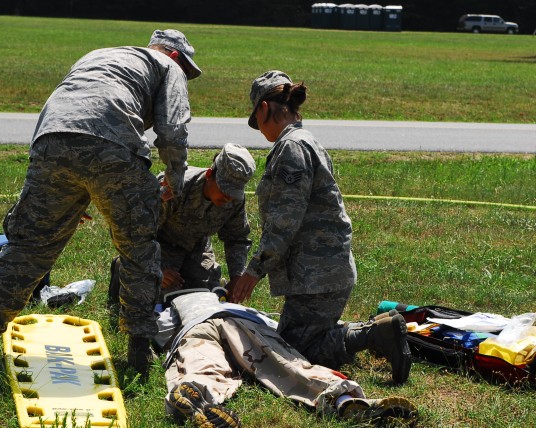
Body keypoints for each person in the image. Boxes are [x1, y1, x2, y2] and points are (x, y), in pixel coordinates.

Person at [0, 29, 202, 376]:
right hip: (115, 149)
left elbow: (68, 107)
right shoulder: (168, 67)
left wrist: (70, 192)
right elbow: (173, 128)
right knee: (137, 251)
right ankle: (139, 354)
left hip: (51, 142)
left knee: (27, 249)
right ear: (174, 55)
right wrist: (175, 177)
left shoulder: (98, 54)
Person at [228, 70, 412, 384]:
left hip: (318, 275)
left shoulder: (292, 149)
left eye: (255, 118)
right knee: (293, 340)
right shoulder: (302, 141)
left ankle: (377, 334)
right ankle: (378, 330)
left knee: (292, 353)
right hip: (321, 272)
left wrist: (253, 272)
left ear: (264, 109)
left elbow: (284, 222)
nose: (258, 128)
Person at [158, 290, 418, 427]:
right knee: (288, 366)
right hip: (243, 324)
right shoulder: (242, 307)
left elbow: (159, 334)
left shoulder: (170, 307)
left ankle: (197, 395)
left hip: (194, 330)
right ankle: (344, 399)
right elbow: (276, 329)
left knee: (201, 363)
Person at [108, 143, 255, 303]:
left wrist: (236, 277)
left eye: (234, 192)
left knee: (204, 298)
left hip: (196, 247)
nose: (228, 198)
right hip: (158, 243)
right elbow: (135, 229)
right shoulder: (176, 186)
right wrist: (155, 267)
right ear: (209, 174)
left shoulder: (234, 200)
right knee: (156, 293)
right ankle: (122, 266)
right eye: (224, 189)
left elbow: (237, 238)